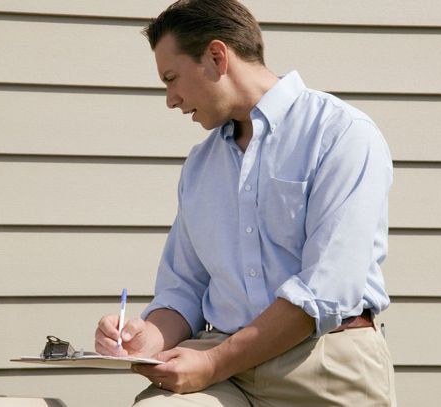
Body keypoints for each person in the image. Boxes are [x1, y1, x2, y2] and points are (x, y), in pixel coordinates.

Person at [95, 0, 397, 405]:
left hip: (323, 362)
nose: (171, 99)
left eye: (171, 78)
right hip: (221, 370)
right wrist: (143, 338)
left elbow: (325, 291)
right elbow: (184, 289)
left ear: (217, 57)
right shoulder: (200, 166)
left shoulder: (341, 134)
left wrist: (214, 363)